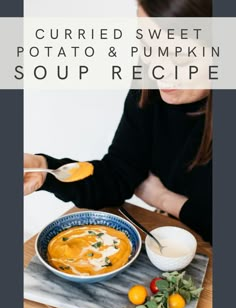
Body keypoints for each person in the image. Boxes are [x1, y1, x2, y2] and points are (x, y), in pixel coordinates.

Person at [24, 0, 212, 244]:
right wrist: (44, 169)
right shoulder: (150, 81)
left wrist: (165, 199)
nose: (158, 71)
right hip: (173, 238)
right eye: (147, 46)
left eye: (182, 60)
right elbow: (118, 176)